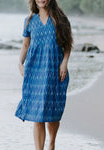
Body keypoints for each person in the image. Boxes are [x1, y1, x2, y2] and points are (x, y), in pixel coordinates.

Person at [14, 0, 73, 149]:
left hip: (55, 70)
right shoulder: (29, 21)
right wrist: (20, 63)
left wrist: (64, 63)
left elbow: (67, 44)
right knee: (37, 114)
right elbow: (26, 45)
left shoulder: (60, 19)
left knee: (53, 111)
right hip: (34, 71)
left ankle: (52, 144)